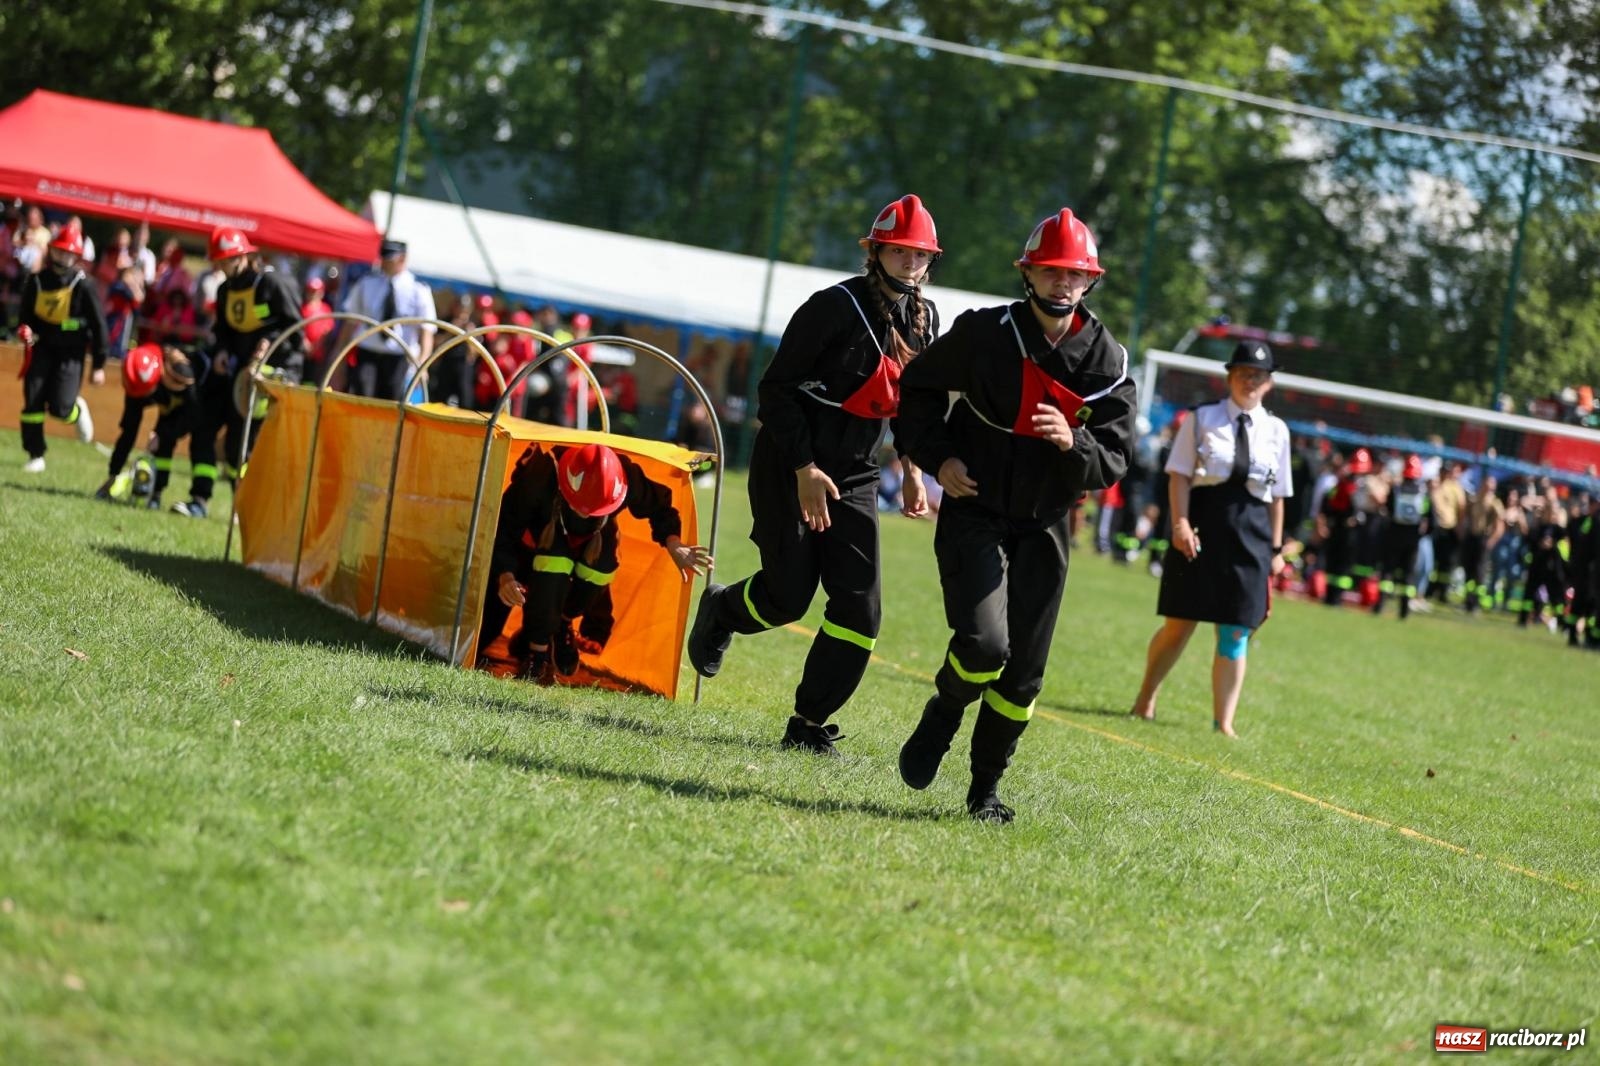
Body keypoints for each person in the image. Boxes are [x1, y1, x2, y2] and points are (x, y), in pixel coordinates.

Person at [894, 206, 1136, 821]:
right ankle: (943, 714)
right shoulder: (983, 333)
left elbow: (1114, 460)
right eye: (1050, 270)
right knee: (983, 643)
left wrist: (1072, 442)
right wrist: (936, 458)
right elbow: (916, 388)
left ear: (1090, 282)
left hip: (1047, 524)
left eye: (1074, 273)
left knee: (1023, 674)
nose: (1062, 282)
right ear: (1028, 274)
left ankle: (984, 791)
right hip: (976, 509)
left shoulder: (1108, 361)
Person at [687, 194, 939, 754]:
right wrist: (804, 467)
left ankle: (807, 723)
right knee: (788, 598)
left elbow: (912, 405)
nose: (910, 263)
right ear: (874, 252)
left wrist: (914, 469)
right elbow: (773, 392)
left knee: (859, 610)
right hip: (788, 464)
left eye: (920, 255)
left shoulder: (927, 320)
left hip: (855, 476)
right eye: (898, 251)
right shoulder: (831, 306)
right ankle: (722, 609)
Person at [1129, 341, 1290, 737]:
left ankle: (1224, 723)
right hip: (1201, 526)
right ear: (1229, 377)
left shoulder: (1277, 431)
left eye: (1257, 376)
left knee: (1236, 631)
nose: (1249, 382)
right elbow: (1179, 475)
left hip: (1251, 535)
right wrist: (1180, 524)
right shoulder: (1201, 419)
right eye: (1242, 374)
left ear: (1268, 383)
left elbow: (1279, 495)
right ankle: (1145, 697)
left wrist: (1275, 548)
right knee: (1179, 625)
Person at [480, 442, 712, 682]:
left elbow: (659, 506)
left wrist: (674, 543)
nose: (588, 515)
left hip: (595, 543)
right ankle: (536, 652)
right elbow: (504, 527)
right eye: (582, 508)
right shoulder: (541, 474)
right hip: (534, 550)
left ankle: (563, 623)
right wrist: (505, 575)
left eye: (597, 510)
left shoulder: (627, 476)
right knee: (552, 563)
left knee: (602, 566)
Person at [171, 226, 304, 518]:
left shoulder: (272, 284)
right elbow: (223, 330)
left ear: (242, 256)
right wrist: (220, 350)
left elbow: (296, 333)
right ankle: (199, 500)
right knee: (204, 429)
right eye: (217, 261)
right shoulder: (224, 289)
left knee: (238, 446)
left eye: (224, 260)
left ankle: (244, 506)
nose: (219, 266)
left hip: (266, 377)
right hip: (233, 371)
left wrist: (269, 346)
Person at [17, 226, 106, 472]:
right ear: (52, 251)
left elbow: (99, 326)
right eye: (60, 251)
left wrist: (99, 364)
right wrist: (24, 330)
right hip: (42, 349)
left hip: (71, 354)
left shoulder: (84, 285)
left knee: (60, 407)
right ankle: (35, 454)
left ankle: (76, 411)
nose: (63, 257)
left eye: (69, 253)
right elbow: (25, 317)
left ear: (76, 256)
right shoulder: (36, 280)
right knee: (32, 401)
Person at [96, 343, 198, 510]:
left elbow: (192, 416)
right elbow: (128, 431)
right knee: (130, 431)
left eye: (147, 392)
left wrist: (162, 435)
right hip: (165, 400)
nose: (144, 396)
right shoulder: (136, 381)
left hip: (184, 409)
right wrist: (113, 475)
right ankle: (113, 482)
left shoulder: (181, 374)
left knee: (164, 445)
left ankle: (156, 495)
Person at [334, 238, 437, 400]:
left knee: (391, 402)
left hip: (398, 356)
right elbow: (350, 321)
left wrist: (422, 364)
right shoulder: (366, 283)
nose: (383, 263)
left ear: (402, 259)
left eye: (389, 259)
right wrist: (339, 356)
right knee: (362, 396)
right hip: (368, 352)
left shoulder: (418, 290)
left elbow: (427, 331)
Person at [1372, 454, 1431, 619]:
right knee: (1408, 575)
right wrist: (1422, 534)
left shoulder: (1396, 489)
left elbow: (1388, 510)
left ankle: (1380, 606)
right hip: (1413, 537)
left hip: (1394, 534)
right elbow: (1429, 517)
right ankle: (1404, 611)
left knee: (1388, 572)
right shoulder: (1423, 493)